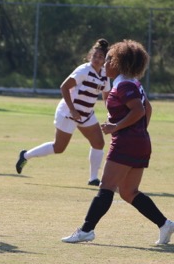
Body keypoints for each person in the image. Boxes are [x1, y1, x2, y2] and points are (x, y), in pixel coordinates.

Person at [61, 39, 174, 245]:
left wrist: (116, 127)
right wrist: (139, 132)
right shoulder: (132, 83)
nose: (105, 64)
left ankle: (86, 230)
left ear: (119, 63)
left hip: (127, 143)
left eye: (109, 60)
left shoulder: (123, 85)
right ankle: (165, 224)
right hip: (140, 142)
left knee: (106, 187)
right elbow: (147, 109)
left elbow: (139, 110)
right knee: (129, 192)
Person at [16, 39, 110, 186]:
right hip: (68, 112)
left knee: (98, 143)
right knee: (59, 148)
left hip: (86, 114)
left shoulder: (104, 74)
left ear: (105, 60)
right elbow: (64, 87)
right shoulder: (83, 71)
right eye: (95, 55)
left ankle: (93, 179)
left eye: (100, 57)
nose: (97, 59)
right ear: (90, 56)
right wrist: (72, 110)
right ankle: (26, 155)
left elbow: (106, 95)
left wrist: (111, 114)